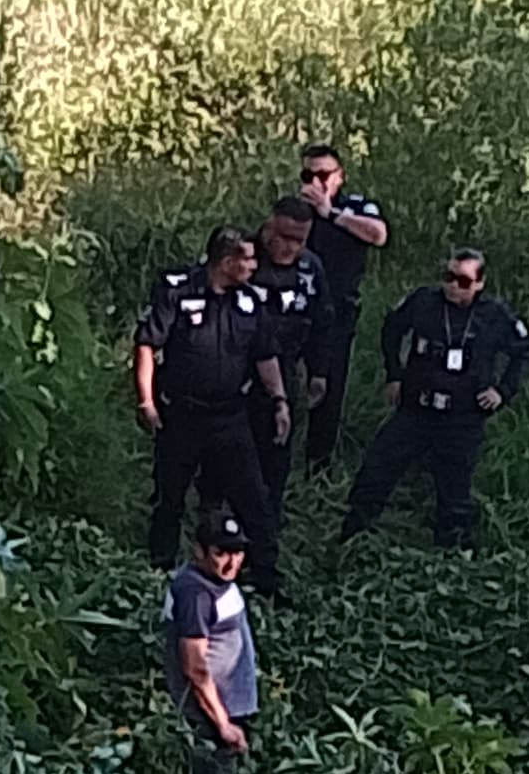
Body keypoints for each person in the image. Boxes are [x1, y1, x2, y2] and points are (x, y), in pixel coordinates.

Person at [132, 229, 291, 590]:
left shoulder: (250, 301)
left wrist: (280, 401)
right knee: (170, 497)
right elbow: (146, 345)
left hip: (230, 417)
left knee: (254, 498)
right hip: (182, 415)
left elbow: (265, 355)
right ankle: (159, 572)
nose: (254, 266)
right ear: (227, 261)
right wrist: (146, 401)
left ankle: (266, 576)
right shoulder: (178, 292)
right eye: (248, 259)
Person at [342, 248, 529, 549]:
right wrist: (394, 374)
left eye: (463, 281)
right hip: (417, 408)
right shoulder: (424, 302)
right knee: (377, 469)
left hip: (462, 416)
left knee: (455, 490)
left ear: (479, 284)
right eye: (449, 277)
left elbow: (523, 351)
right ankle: (352, 537)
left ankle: (451, 554)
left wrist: (503, 391)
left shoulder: (494, 315)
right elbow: (392, 329)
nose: (454, 286)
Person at [163, 510, 262, 774]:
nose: (232, 562)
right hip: (208, 718)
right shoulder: (196, 592)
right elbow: (195, 667)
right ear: (199, 551)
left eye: (238, 552)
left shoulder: (217, 583)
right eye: (221, 553)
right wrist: (223, 724)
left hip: (227, 711)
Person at [292, 145, 386, 473]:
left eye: (323, 174)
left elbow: (378, 234)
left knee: (328, 391)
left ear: (339, 176)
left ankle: (318, 466)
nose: (316, 181)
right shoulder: (296, 210)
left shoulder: (356, 206)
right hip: (295, 311)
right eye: (308, 174)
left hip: (336, 312)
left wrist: (330, 213)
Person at [249, 195, 326, 540]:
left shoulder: (310, 269)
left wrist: (319, 371)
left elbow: (322, 321)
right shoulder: (244, 257)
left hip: (287, 367)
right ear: (269, 226)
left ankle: (268, 523)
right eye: (284, 237)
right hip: (238, 370)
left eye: (299, 240)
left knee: (276, 451)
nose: (290, 247)